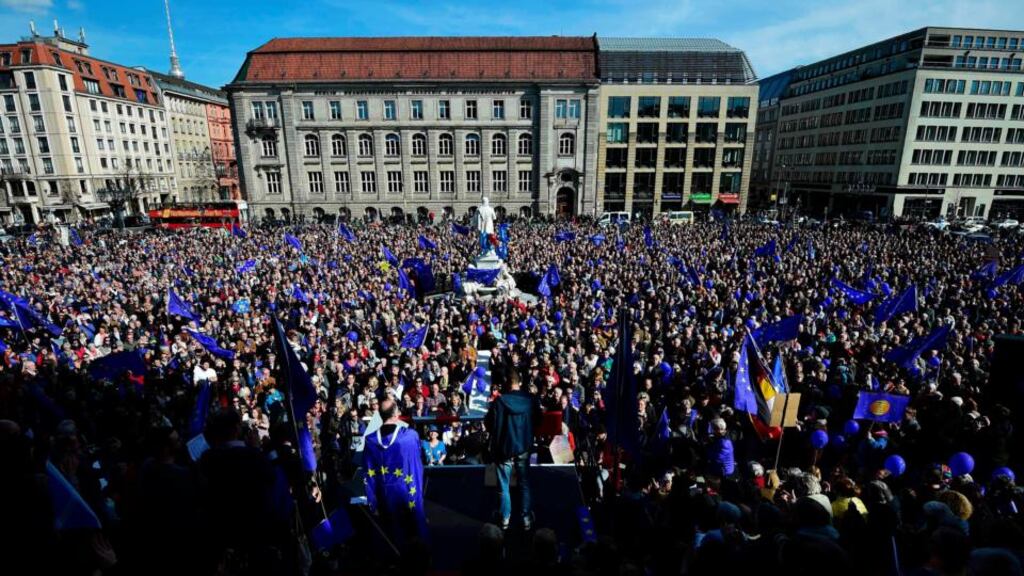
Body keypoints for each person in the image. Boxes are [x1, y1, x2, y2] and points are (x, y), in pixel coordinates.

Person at [484, 358, 541, 530]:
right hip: (523, 447)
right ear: (519, 382)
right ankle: (525, 518)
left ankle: (505, 518)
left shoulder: (499, 402)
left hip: (504, 449)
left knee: (503, 485)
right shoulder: (530, 400)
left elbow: (489, 424)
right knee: (524, 483)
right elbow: (539, 419)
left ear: (506, 383)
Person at [363, 398, 427, 549]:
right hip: (407, 491)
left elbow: (368, 471)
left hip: (384, 494)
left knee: (391, 532)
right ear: (396, 414)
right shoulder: (410, 436)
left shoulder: (370, 440)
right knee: (412, 532)